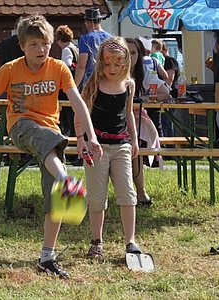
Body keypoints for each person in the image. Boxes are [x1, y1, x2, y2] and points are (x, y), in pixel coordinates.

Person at [0, 15, 102, 278]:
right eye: (34, 44)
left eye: (45, 44)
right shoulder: (10, 70)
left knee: (54, 197)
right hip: (21, 128)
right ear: (23, 46)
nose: (41, 49)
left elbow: (79, 102)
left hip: (52, 133)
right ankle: (65, 179)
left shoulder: (59, 68)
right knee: (49, 145)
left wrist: (91, 136)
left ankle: (47, 257)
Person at [76, 37, 142, 258]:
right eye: (107, 63)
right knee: (96, 196)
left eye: (117, 63)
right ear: (101, 61)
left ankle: (130, 240)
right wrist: (81, 139)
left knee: (127, 193)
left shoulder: (129, 85)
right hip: (98, 146)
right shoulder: (93, 83)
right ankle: (96, 241)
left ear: (125, 63)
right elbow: (80, 114)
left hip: (121, 145)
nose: (112, 68)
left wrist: (134, 139)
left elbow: (129, 113)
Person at [126, 37, 164, 206]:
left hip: (137, 118)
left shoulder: (145, 73)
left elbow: (165, 92)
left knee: (137, 145)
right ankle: (136, 192)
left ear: (139, 55)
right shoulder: (110, 72)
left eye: (133, 52)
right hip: (113, 120)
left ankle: (140, 192)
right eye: (125, 52)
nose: (130, 56)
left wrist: (148, 97)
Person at [75, 7, 112, 89]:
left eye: (86, 21)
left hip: (91, 83)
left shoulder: (85, 39)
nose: (85, 24)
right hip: (108, 82)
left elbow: (81, 66)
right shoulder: (111, 38)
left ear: (89, 22)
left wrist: (75, 87)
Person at [55, 24, 79, 137]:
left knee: (66, 114)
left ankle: (67, 134)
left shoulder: (66, 50)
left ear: (60, 39)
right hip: (76, 85)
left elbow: (66, 65)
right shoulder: (75, 48)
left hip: (67, 87)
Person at [161, 41, 180, 138]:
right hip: (166, 96)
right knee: (165, 122)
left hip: (170, 96)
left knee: (166, 122)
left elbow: (170, 78)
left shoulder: (169, 60)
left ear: (165, 50)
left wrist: (165, 92)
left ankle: (169, 149)